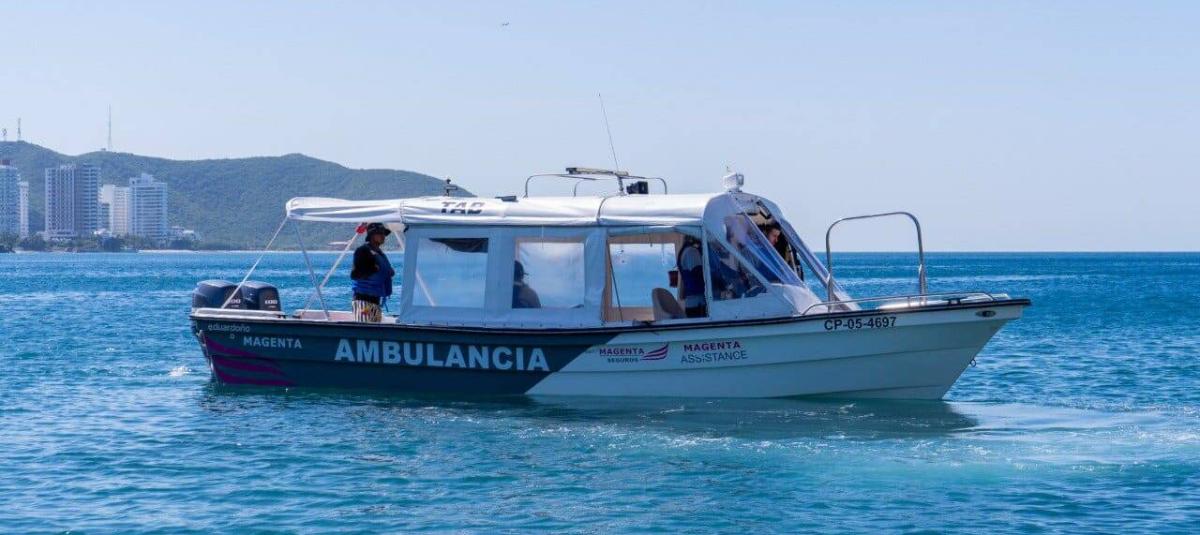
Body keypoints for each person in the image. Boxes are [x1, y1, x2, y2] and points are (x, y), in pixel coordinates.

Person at [350, 222, 395, 322]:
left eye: (384, 233)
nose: (383, 236)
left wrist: (388, 271)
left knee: (374, 329)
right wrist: (373, 269)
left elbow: (387, 271)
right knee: (365, 329)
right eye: (380, 233)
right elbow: (355, 274)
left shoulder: (380, 253)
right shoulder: (363, 251)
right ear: (371, 235)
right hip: (364, 301)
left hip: (376, 301)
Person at [677, 236, 707, 317]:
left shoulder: (686, 250)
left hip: (693, 303)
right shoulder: (691, 251)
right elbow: (698, 273)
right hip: (697, 304)